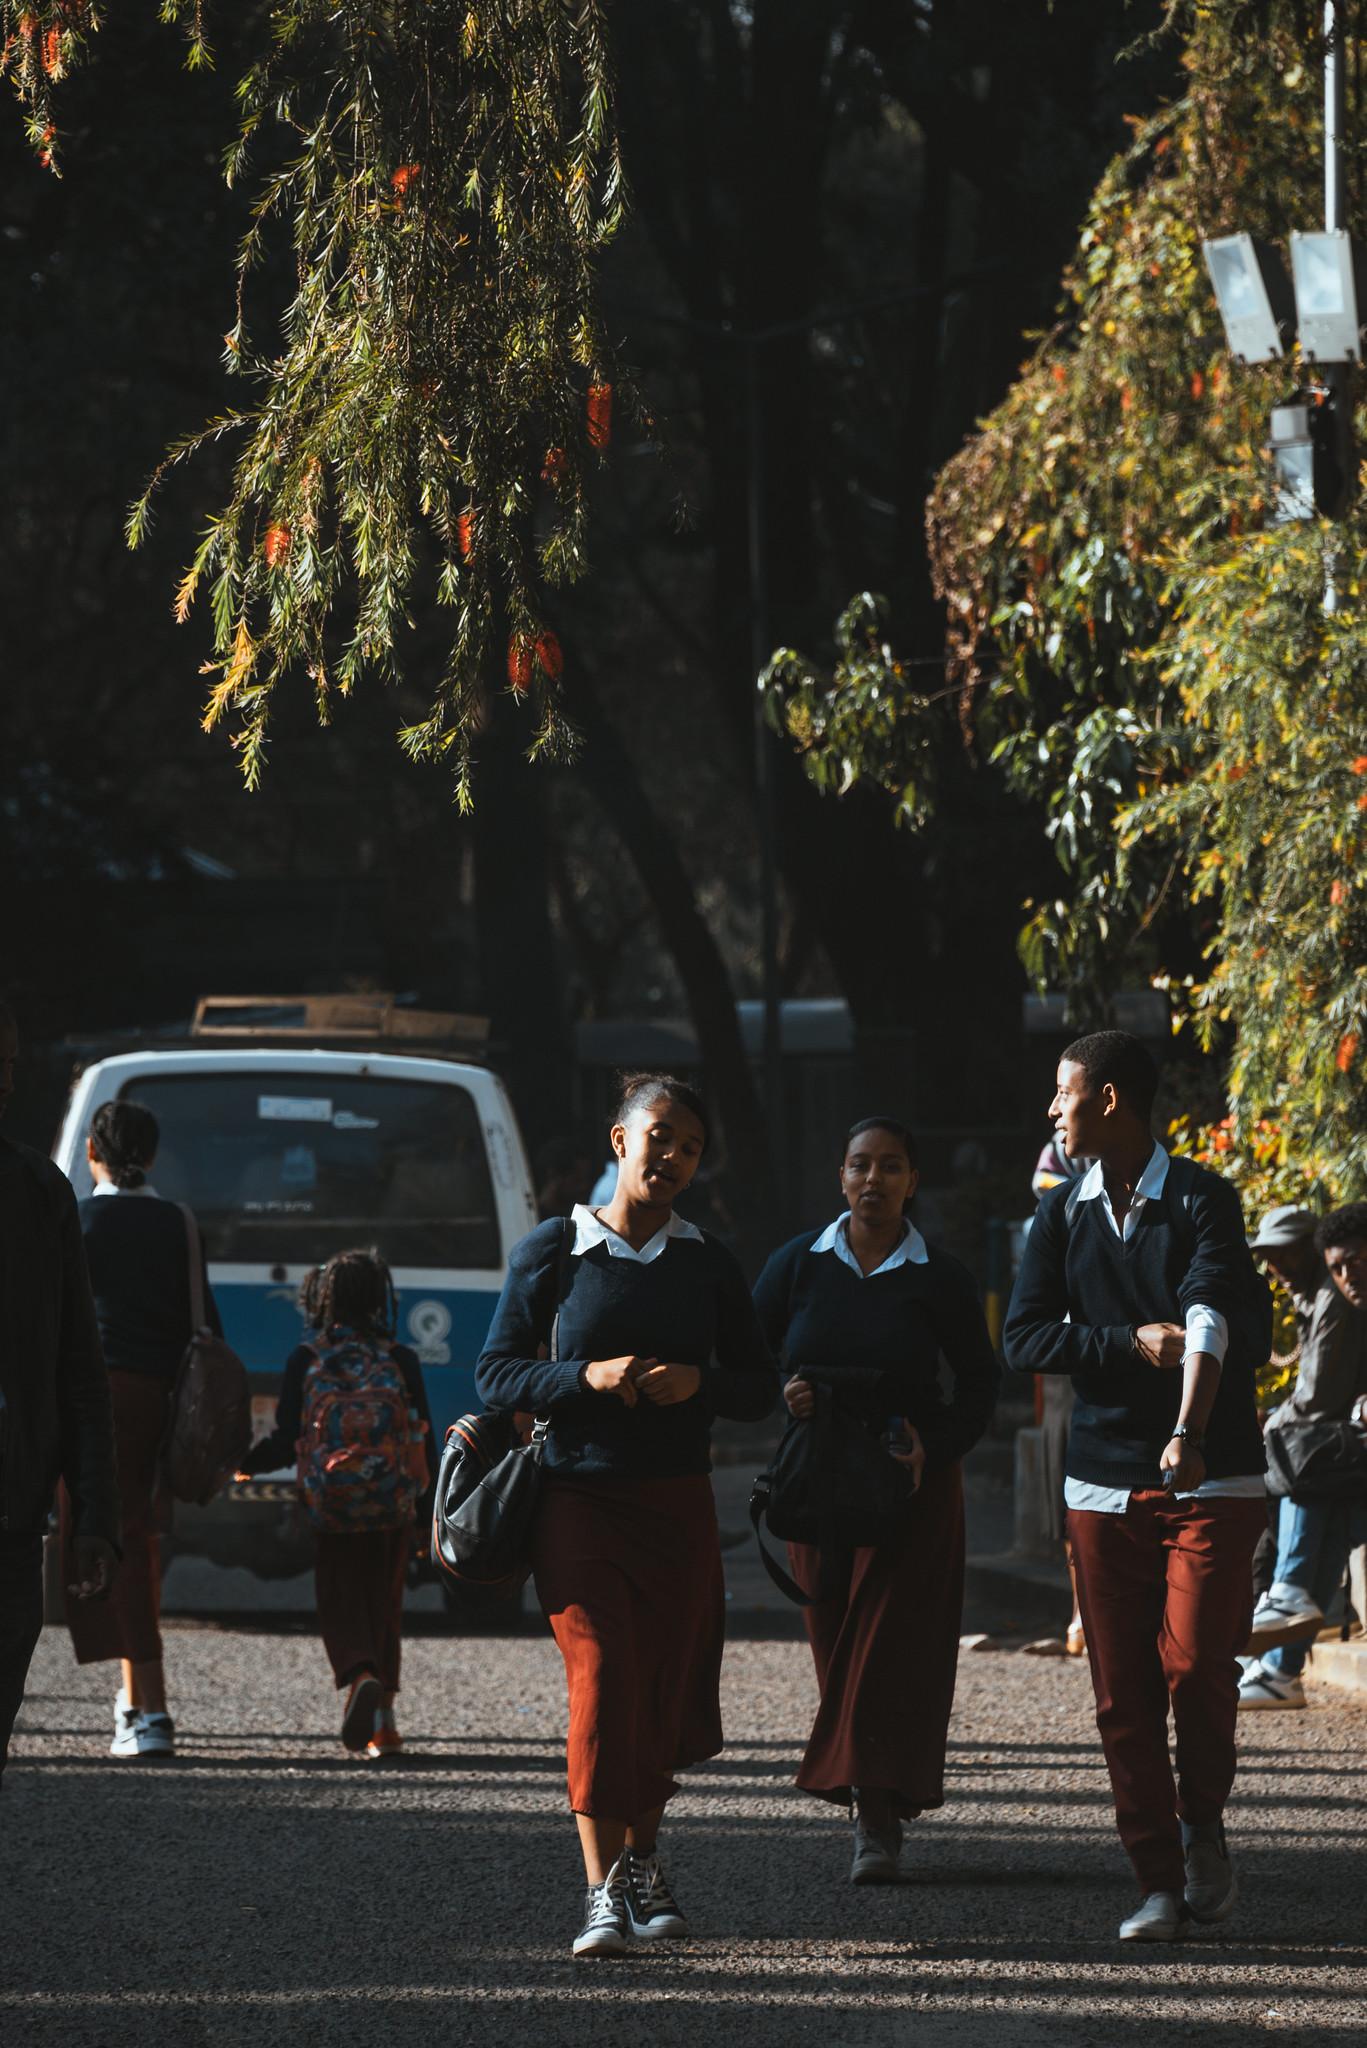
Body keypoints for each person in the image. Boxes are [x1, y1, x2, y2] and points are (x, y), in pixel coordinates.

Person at [475, 1072, 776, 1958]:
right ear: (620, 1141)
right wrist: (584, 1378)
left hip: (676, 1506)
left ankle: (646, 1864)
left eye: (690, 1146)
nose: (674, 1156)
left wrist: (701, 1385)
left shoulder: (708, 1262)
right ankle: (600, 1891)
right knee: (604, 1677)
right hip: (575, 1499)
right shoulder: (551, 1251)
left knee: (660, 1694)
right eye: (661, 1138)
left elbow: (759, 1386)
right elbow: (493, 1376)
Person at [1003, 1031, 1270, 1944]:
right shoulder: (1058, 1214)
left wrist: (1188, 1432)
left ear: (1108, 1099)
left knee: (1196, 1669)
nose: (1052, 1109)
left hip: (1213, 1473)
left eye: (1061, 1093)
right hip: (1100, 1484)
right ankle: (1156, 1880)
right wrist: (1121, 1344)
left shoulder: (1202, 1196)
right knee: (1121, 1695)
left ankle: (1200, 1823)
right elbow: (1024, 1338)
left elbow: (1210, 1312)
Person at [753, 1118, 999, 1882]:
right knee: (836, 1643)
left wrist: (938, 1446)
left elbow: (982, 1384)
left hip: (908, 1474)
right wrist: (781, 1391)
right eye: (860, 1165)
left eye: (890, 1167)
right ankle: (872, 1792)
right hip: (816, 1473)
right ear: (840, 1177)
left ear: (911, 1182)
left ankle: (876, 1817)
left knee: (891, 1645)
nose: (873, 1180)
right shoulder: (797, 1264)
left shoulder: (940, 1275)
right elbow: (740, 1355)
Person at [65, 1099, 221, 1761]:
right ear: (153, 1156)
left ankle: (148, 1709)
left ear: (92, 1154)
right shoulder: (178, 1222)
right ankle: (135, 1697)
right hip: (167, 1398)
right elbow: (202, 1316)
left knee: (111, 1540)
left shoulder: (79, 1221)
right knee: (141, 1541)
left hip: (100, 1398)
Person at [239, 1248, 433, 1757]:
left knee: (339, 1598)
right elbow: (423, 1439)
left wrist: (247, 1465)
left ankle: (358, 1671)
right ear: (378, 1299)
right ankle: (386, 1725)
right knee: (384, 1606)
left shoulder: (307, 1359)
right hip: (392, 1504)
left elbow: (285, 1440)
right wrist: (426, 1506)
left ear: (322, 1299)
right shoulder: (400, 1358)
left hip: (331, 1505)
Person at [0, 999, 120, 1785]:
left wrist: (94, 1517)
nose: (4, 1080)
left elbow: (78, 1363)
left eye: (7, 1063)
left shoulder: (37, 1192)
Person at [1240, 1203, 1367, 1709]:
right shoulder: (1327, 1298)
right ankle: (1280, 1667)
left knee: (1306, 1457)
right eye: (1337, 1266)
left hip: (1336, 1450)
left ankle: (1284, 1613)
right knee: (1324, 1492)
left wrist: (1273, 1422)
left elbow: (1317, 1400)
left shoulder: (1331, 1303)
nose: (1276, 1267)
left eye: (1355, 1261)